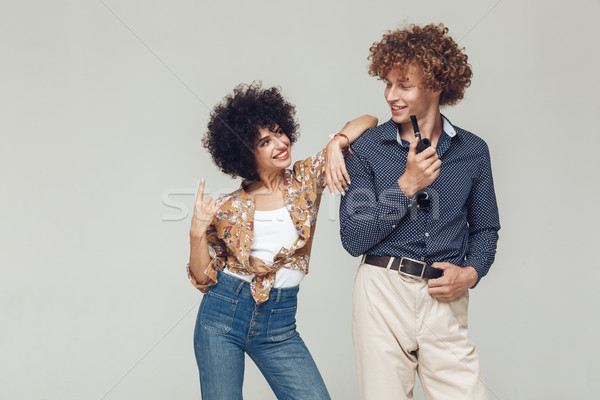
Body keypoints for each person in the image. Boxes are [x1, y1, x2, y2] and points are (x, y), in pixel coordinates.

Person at [339, 23, 500, 399]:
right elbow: (353, 238)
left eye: (403, 85)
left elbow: (486, 228)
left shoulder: (473, 151)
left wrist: (471, 273)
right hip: (381, 292)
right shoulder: (367, 148)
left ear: (436, 86)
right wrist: (406, 186)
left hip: (444, 295)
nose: (391, 95)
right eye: (387, 83)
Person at [187, 82, 377, 400]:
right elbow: (204, 279)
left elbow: (369, 119)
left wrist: (336, 144)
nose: (280, 143)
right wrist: (196, 233)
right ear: (246, 153)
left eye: (279, 132)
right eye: (265, 141)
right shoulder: (228, 207)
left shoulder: (305, 178)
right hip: (222, 317)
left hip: (278, 325)